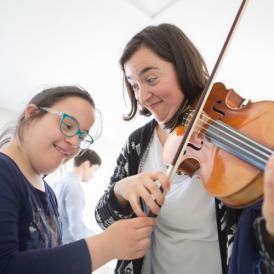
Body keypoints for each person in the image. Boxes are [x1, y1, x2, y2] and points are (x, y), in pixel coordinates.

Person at [94, 23, 274, 274]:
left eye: (151, 79)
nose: (143, 96)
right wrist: (122, 190)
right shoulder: (137, 143)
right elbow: (104, 220)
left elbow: (260, 248)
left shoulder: (233, 129)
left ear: (182, 68)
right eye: (134, 85)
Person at [0, 86, 156, 274]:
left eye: (82, 136)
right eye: (67, 126)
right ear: (32, 114)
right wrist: (105, 246)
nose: (75, 143)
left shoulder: (48, 193)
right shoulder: (4, 172)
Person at [54, 149, 102, 243]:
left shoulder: (58, 183)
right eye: (94, 170)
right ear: (87, 165)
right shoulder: (74, 187)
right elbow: (76, 229)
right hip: (65, 248)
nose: (93, 175)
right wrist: (100, 238)